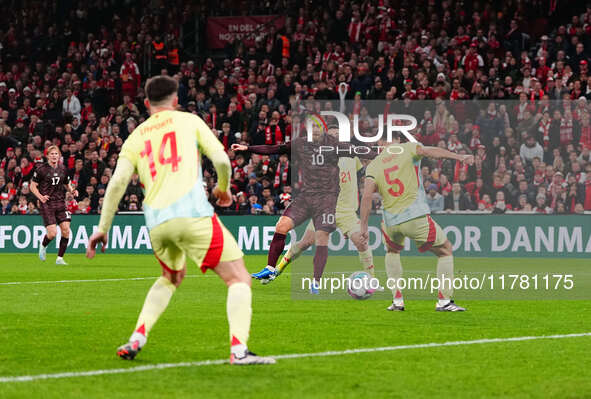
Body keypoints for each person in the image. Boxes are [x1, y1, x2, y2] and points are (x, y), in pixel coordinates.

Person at [86, 75, 274, 365]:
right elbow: (222, 161)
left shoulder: (135, 137)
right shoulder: (189, 121)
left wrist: (102, 229)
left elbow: (117, 183)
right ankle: (239, 351)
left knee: (171, 276)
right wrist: (222, 189)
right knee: (238, 277)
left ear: (147, 103)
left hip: (157, 223)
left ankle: (138, 336)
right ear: (175, 101)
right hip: (191, 214)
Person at [232, 122, 373, 293]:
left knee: (361, 241)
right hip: (322, 205)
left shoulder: (352, 156)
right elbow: (277, 149)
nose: (334, 138)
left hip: (345, 211)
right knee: (305, 243)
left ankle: (371, 282)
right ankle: (275, 270)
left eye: (338, 135)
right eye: (332, 135)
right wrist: (248, 148)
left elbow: (360, 179)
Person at [360, 137, 473, 312]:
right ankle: (444, 301)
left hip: (389, 221)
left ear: (380, 144)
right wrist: (458, 157)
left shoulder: (374, 166)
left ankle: (397, 301)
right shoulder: (407, 148)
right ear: (397, 139)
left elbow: (367, 196)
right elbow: (431, 151)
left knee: (392, 252)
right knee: (445, 250)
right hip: (414, 215)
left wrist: (364, 227)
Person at [30, 146, 78, 265]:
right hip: (47, 203)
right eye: (52, 154)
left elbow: (67, 183)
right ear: (47, 156)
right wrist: (41, 197)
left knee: (66, 230)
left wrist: (72, 190)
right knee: (52, 233)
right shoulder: (41, 169)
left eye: (56, 154)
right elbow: (32, 186)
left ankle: (59, 258)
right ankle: (43, 246)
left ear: (59, 155)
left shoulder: (63, 168)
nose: (54, 156)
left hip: (61, 202)